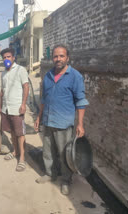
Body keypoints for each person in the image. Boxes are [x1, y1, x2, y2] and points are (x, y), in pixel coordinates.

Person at [34, 44, 89, 195]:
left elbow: (81, 101)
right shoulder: (48, 76)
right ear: (52, 58)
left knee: (65, 153)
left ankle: (66, 180)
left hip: (64, 122)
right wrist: (39, 117)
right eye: (55, 56)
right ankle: (50, 173)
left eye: (61, 56)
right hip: (48, 120)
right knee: (48, 151)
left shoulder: (74, 76)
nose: (58, 59)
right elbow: (43, 99)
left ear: (67, 58)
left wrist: (80, 124)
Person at [0, 48, 29, 172]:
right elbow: (2, 91)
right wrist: (0, 106)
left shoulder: (20, 70)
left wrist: (23, 104)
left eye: (8, 57)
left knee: (20, 133)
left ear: (13, 58)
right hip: (6, 108)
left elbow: (26, 87)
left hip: (17, 107)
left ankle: (22, 158)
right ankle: (15, 151)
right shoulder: (3, 73)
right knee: (11, 131)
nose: (6, 59)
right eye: (4, 57)